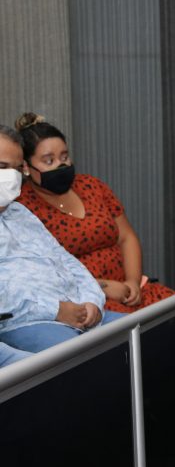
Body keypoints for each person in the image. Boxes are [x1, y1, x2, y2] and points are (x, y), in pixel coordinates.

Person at [15, 113, 175, 313]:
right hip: (85, 301)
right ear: (26, 167)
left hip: (129, 290)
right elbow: (41, 274)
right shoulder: (22, 208)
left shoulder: (90, 185)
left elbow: (126, 237)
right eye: (49, 161)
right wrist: (103, 287)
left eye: (64, 157)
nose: (61, 165)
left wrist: (133, 282)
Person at [0, 124, 120, 353]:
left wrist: (92, 301)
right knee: (89, 359)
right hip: (26, 322)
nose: (11, 177)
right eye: (2, 167)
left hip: (79, 311)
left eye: (16, 169)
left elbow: (65, 260)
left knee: (148, 334)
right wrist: (55, 310)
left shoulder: (20, 213)